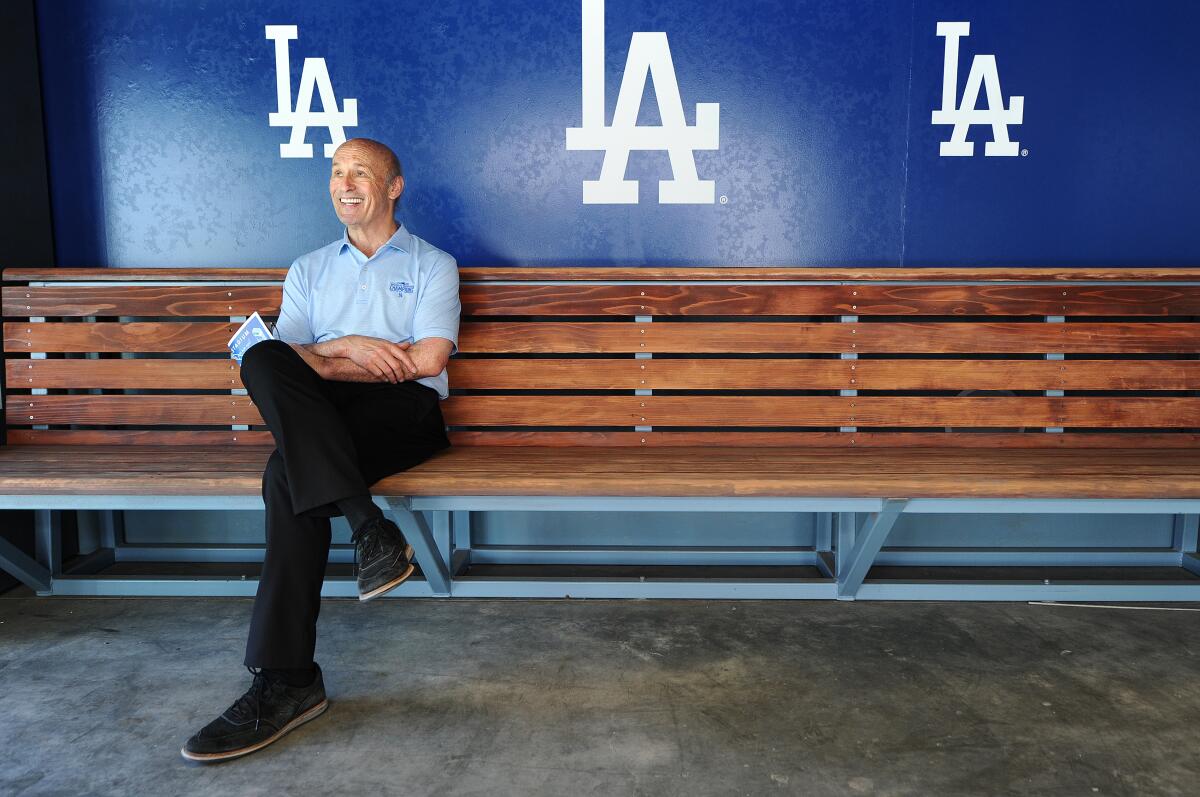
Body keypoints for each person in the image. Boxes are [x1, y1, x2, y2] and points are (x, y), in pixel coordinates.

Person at [181, 138, 460, 763]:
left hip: (406, 413)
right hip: (327, 418)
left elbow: (427, 360)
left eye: (361, 172)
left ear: (394, 187)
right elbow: (282, 360)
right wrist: (356, 346)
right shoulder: (308, 268)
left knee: (288, 472)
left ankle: (287, 682)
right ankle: (371, 529)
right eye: (336, 173)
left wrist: (327, 360)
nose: (345, 183)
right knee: (258, 353)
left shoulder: (432, 264)